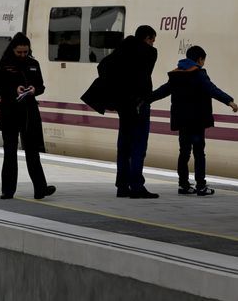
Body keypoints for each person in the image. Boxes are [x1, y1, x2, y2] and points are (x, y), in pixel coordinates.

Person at [148, 46, 238, 196]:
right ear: (200, 60)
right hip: (197, 121)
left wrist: (146, 99)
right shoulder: (199, 74)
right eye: (203, 61)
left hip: (182, 121)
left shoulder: (177, 74)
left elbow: (163, 90)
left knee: (184, 152)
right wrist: (229, 101)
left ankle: (183, 185)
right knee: (199, 153)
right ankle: (201, 186)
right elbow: (212, 89)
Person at [97, 25, 160, 199]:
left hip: (123, 104)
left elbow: (102, 66)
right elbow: (143, 75)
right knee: (139, 145)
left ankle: (122, 186)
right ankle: (137, 186)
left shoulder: (122, 49)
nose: (153, 44)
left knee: (124, 145)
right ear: (147, 38)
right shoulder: (149, 53)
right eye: (152, 40)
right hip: (139, 104)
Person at [0, 33, 56, 200]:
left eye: (25, 52)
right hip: (10, 113)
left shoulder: (33, 64)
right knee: (10, 152)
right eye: (19, 52)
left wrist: (35, 90)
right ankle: (8, 190)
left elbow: (41, 86)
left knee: (33, 152)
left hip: (29, 113)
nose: (22, 55)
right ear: (13, 49)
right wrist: (14, 89)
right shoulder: (4, 65)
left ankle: (40, 189)